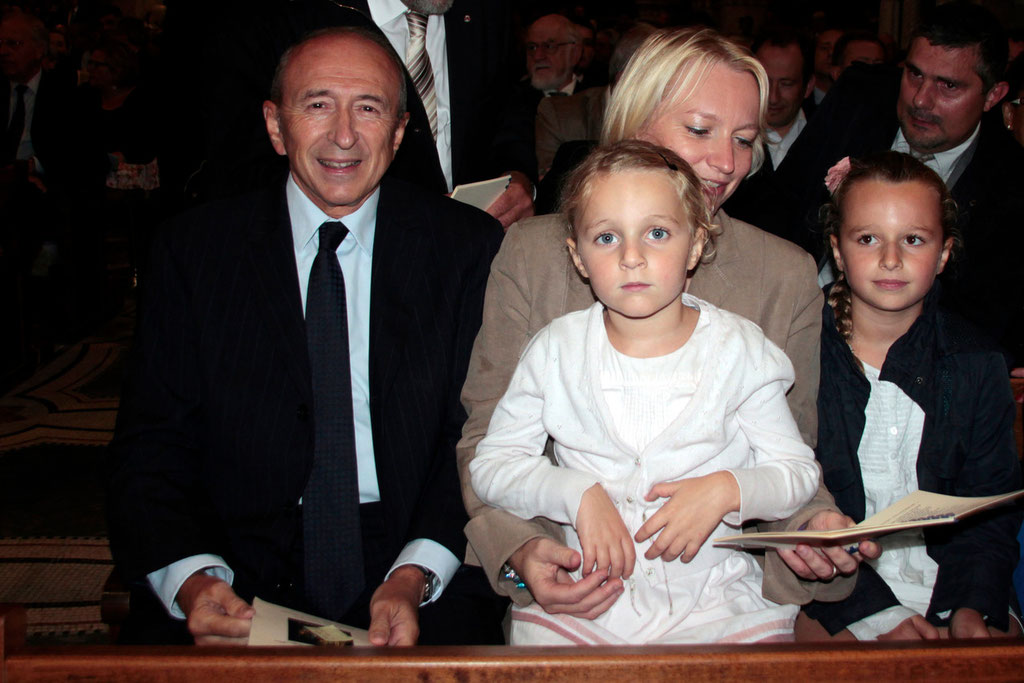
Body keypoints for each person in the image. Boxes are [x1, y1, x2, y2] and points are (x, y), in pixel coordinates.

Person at [457, 27, 879, 628]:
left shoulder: (782, 275)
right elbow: (485, 439)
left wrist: (811, 532)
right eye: (700, 130)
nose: (727, 163)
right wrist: (520, 551)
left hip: (720, 596)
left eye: (743, 138)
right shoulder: (534, 253)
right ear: (634, 121)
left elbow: (790, 458)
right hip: (577, 589)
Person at [107, 26, 504, 647]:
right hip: (232, 554)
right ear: (274, 124)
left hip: (412, 550)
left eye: (368, 109)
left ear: (399, 133)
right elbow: (151, 442)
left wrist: (416, 571)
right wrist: (192, 577)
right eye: (318, 104)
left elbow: (480, 438)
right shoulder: (194, 252)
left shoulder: (467, 250)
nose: (343, 135)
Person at [469, 140, 820, 644]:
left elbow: (797, 473)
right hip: (584, 607)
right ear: (578, 256)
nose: (632, 257)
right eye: (607, 237)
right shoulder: (555, 351)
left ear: (696, 245)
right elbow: (491, 466)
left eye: (657, 233)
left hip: (718, 607)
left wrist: (728, 489)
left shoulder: (741, 351)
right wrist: (575, 493)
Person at [799, 151, 1022, 641]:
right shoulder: (800, 356)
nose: (891, 259)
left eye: (914, 240)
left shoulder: (976, 364)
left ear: (943, 254)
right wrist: (880, 615)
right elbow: (793, 511)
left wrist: (969, 608)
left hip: (954, 580)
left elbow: (989, 508)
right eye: (868, 238)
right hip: (839, 589)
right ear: (837, 251)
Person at [766, 2, 1024, 366]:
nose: (921, 99)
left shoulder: (1011, 185)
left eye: (948, 85)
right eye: (914, 74)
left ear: (994, 95)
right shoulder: (858, 100)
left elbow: (988, 322)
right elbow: (776, 208)